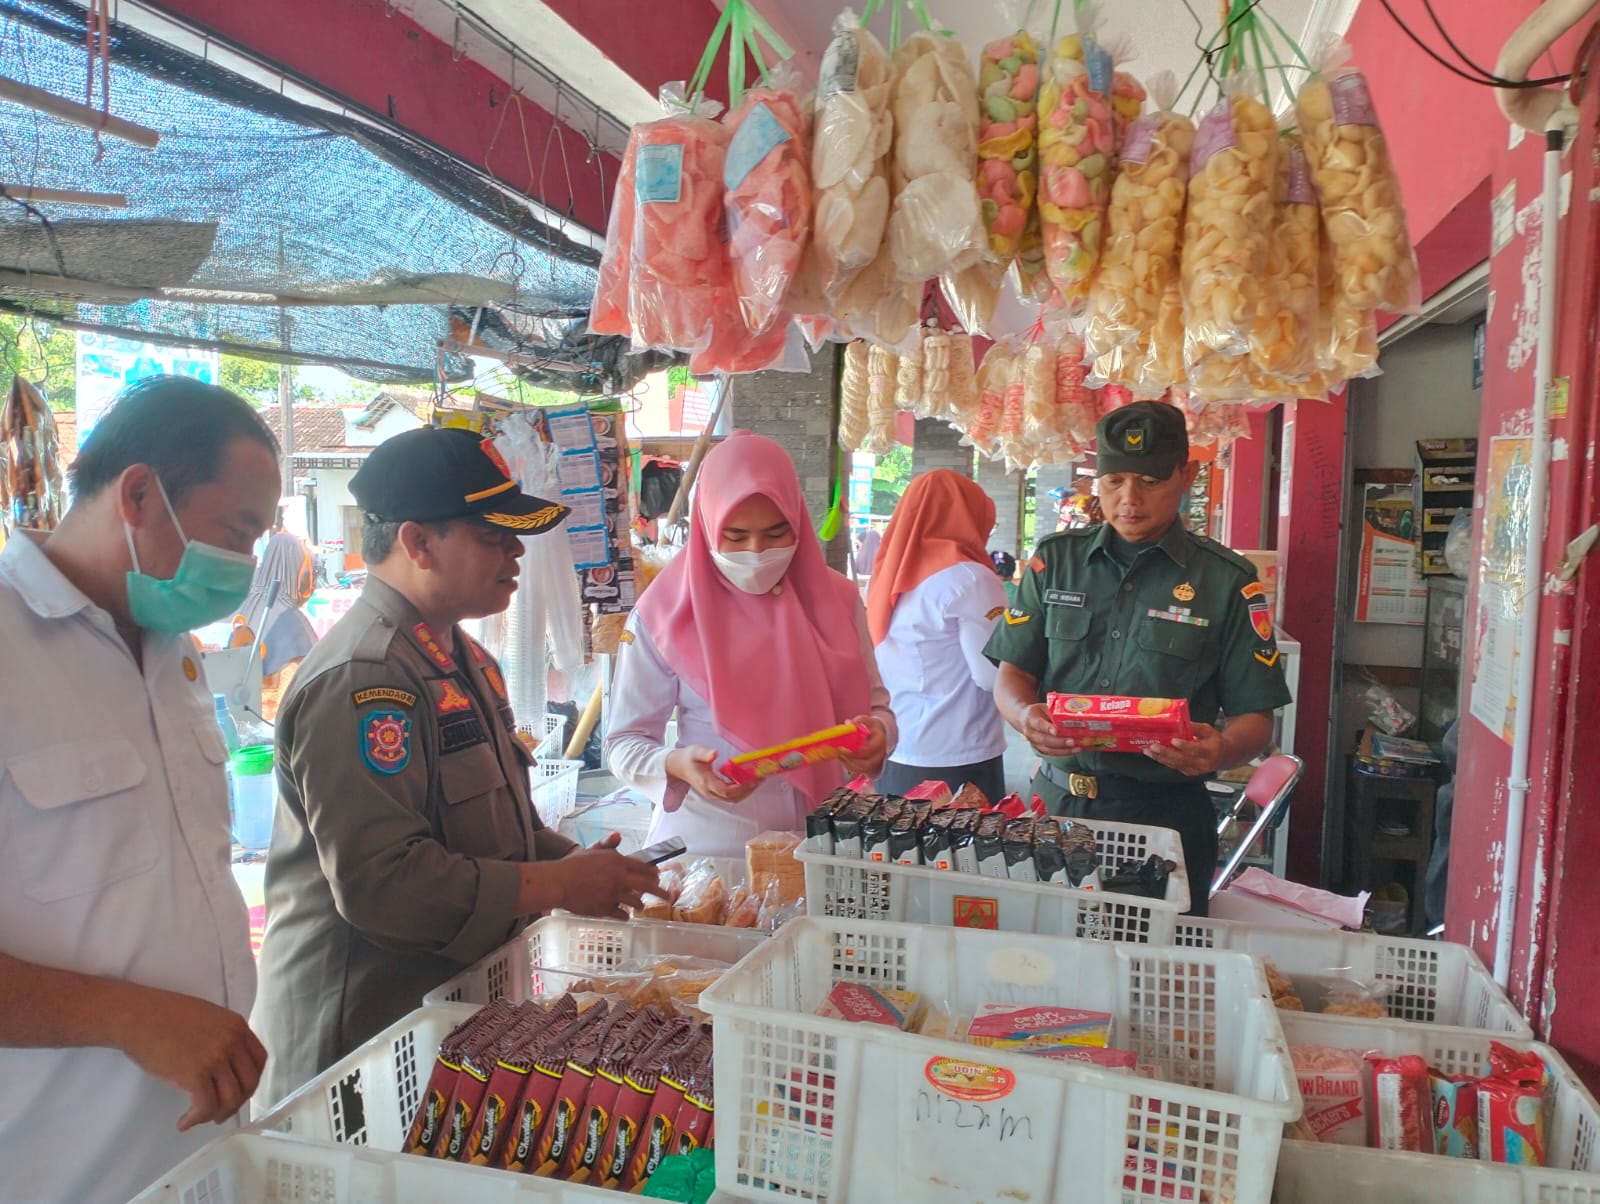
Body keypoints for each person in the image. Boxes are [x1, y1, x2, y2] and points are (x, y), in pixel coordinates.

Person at [252, 427, 659, 1106]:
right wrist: (557, 883)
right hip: (360, 1046)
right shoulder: (367, 677)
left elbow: (500, 833)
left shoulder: (463, 660)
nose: (517, 552)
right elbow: (384, 884)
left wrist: (586, 868)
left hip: (448, 1017)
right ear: (417, 543)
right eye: (493, 535)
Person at [0, 376, 281, 1204]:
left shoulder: (173, 650)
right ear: (138, 496)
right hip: (57, 1170)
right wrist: (127, 1016)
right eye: (238, 532)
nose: (247, 564)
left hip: (198, 1155)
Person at [986, 402, 1291, 917]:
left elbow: (1256, 717)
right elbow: (1013, 673)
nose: (1129, 499)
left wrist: (1220, 750)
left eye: (1150, 481)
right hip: (1055, 807)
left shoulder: (1227, 582)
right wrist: (1023, 716)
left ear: (1185, 476)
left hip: (1165, 820)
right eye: (1114, 481)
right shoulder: (1055, 562)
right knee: (1040, 950)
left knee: (1155, 960)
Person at [605, 431, 895, 858]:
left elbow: (877, 708)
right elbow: (623, 744)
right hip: (713, 850)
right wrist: (676, 765)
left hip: (823, 846)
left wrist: (878, 738)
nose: (757, 552)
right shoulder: (664, 613)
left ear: (798, 520)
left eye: (777, 533)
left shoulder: (837, 600)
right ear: (706, 526)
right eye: (736, 536)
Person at [868, 471, 1009, 802]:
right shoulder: (971, 578)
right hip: (959, 754)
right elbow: (991, 674)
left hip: (899, 746)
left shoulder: (890, 576)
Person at [238, 514, 317, 718]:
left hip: (238, 710)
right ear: (297, 570)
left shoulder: (243, 602)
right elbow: (305, 688)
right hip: (274, 720)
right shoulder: (290, 618)